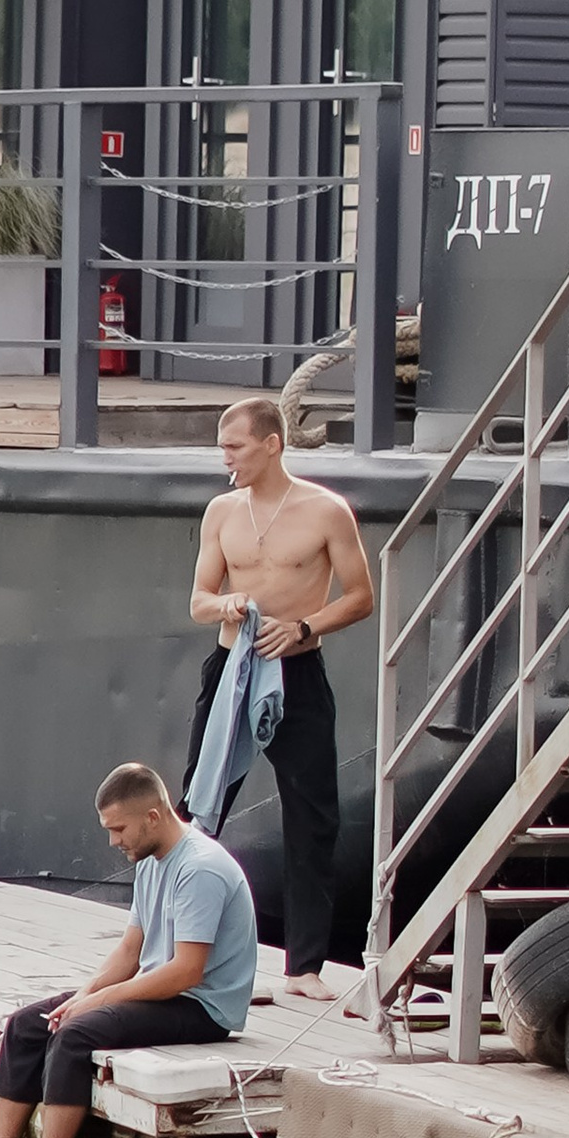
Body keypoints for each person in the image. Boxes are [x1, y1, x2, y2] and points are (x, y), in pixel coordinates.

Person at [183, 393, 374, 995]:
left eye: (235, 447)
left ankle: (304, 967)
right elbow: (198, 601)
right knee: (200, 804)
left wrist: (304, 627)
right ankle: (177, 950)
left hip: (297, 671)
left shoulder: (325, 511)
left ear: (271, 444)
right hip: (233, 668)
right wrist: (229, 603)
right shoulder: (222, 511)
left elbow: (360, 595)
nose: (226, 459)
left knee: (313, 817)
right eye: (223, 448)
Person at [0, 760, 258, 1138]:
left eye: (118, 829)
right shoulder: (151, 861)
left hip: (201, 1006)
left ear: (152, 817)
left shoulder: (201, 868)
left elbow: (187, 971)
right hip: (161, 991)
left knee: (74, 1036)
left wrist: (97, 1003)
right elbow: (130, 951)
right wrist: (83, 995)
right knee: (29, 1025)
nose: (113, 842)